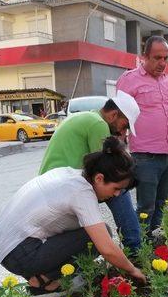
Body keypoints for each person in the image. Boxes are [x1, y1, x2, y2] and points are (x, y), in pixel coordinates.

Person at [0, 137, 146, 297]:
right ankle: (45, 282)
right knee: (98, 235)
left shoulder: (70, 174)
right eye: (116, 188)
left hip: (3, 244)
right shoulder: (82, 193)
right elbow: (106, 248)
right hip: (18, 253)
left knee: (87, 233)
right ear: (99, 178)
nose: (116, 194)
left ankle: (43, 277)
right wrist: (132, 270)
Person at [38, 91, 142, 251]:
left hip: (53, 183)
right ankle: (135, 249)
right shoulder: (98, 124)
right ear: (114, 115)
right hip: (62, 185)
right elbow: (109, 170)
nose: (123, 132)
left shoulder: (89, 117)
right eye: (125, 125)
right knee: (118, 188)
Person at [116, 36, 168, 232]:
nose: (162, 63)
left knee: (162, 204)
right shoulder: (129, 80)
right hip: (145, 157)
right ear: (145, 56)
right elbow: (119, 120)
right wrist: (119, 154)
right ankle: (137, 247)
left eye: (165, 58)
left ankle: (153, 243)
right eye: (157, 57)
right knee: (145, 207)